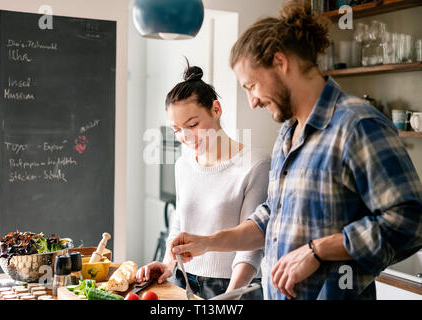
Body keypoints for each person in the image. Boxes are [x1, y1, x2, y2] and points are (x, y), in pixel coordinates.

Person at [170, 0, 422, 300]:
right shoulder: (288, 134)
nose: (252, 101)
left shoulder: (357, 124)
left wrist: (318, 250)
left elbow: (410, 221)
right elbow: (269, 217)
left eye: (251, 86)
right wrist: (208, 242)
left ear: (280, 62)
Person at [136, 60, 271, 299]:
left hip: (233, 287)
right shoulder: (183, 166)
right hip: (183, 281)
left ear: (216, 109)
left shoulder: (255, 164)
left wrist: (230, 297)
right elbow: (179, 223)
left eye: (193, 124)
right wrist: (169, 264)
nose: (185, 137)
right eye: (177, 129)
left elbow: (252, 243)